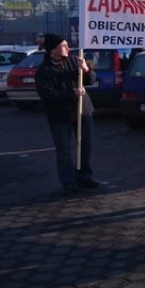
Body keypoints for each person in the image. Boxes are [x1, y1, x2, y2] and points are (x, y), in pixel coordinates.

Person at [35, 34, 99, 194]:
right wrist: (72, 93)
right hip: (60, 115)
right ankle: (69, 182)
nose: (69, 48)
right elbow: (48, 97)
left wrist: (86, 69)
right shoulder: (43, 71)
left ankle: (84, 176)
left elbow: (90, 80)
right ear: (53, 50)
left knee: (85, 145)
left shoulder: (74, 61)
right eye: (64, 46)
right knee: (64, 149)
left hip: (83, 110)